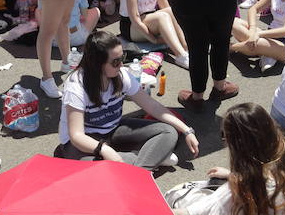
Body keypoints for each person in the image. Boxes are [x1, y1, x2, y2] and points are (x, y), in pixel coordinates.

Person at [58, 30, 199, 169]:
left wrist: (187, 130)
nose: (121, 65)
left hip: (112, 131)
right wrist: (105, 150)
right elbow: (76, 136)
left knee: (168, 131)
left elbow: (152, 106)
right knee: (97, 168)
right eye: (115, 62)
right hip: (83, 143)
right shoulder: (77, 85)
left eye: (123, 57)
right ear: (97, 63)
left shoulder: (121, 75)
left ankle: (138, 165)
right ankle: (151, 159)